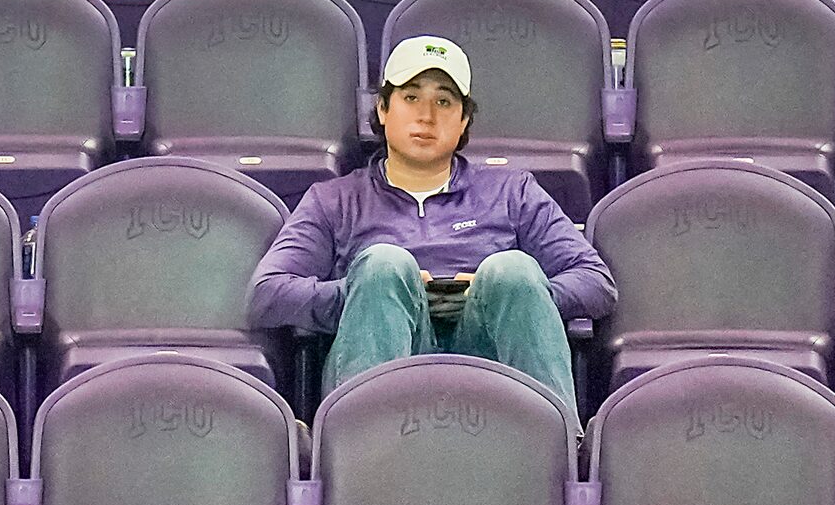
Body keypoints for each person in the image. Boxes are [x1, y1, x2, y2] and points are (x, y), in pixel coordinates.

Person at [245, 34, 610, 413]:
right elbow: (268, 294)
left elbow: (596, 282)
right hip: (383, 364)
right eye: (411, 97)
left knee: (512, 270)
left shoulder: (511, 191)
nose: (426, 115)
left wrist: (514, 293)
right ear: (383, 109)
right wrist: (363, 293)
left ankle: (557, 446)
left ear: (464, 118)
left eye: (444, 101)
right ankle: (363, 446)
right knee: (385, 265)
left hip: (492, 366)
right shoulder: (333, 200)